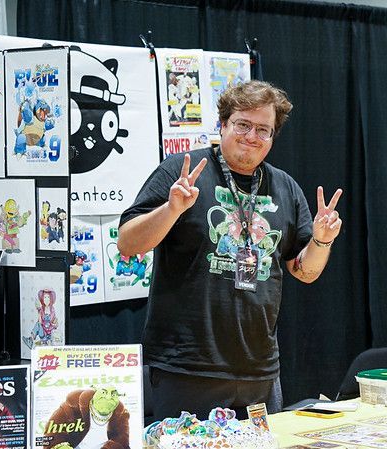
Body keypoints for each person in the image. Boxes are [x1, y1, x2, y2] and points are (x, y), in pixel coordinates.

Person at [118, 80, 343, 419]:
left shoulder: (284, 187)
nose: (251, 136)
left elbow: (305, 271)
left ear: (272, 137)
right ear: (223, 124)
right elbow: (128, 242)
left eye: (263, 130)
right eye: (242, 125)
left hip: (259, 372)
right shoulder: (183, 172)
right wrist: (172, 209)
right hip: (186, 368)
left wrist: (322, 240)